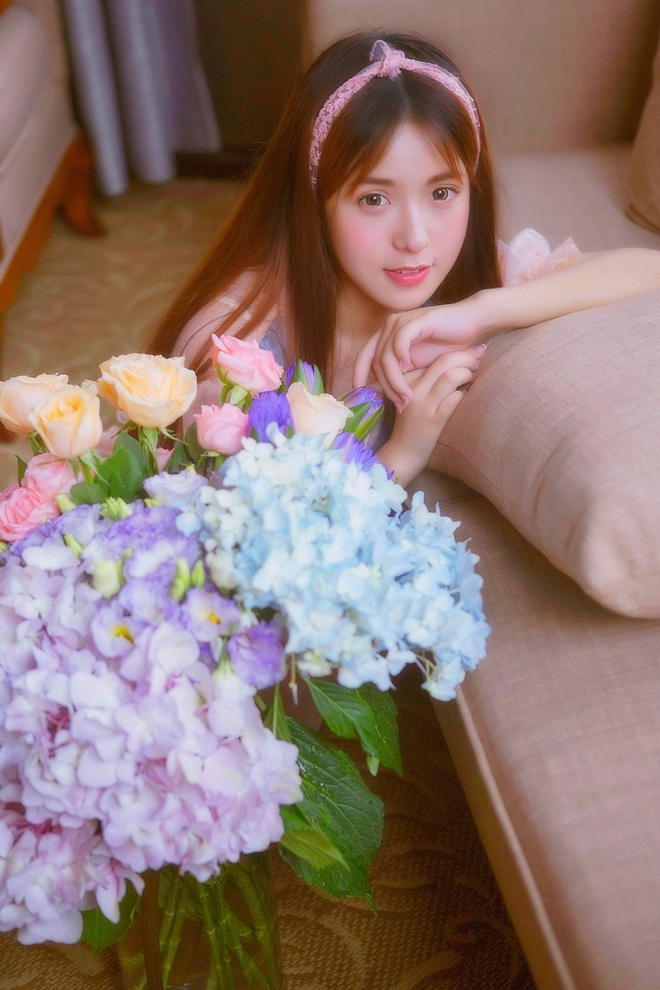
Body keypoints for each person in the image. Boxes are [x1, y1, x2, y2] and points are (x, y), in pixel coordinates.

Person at [149, 31, 660, 486]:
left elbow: (647, 269)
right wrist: (401, 454)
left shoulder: (472, 280)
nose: (415, 239)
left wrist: (481, 310)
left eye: (442, 193)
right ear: (314, 202)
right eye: (375, 199)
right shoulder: (238, 343)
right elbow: (246, 526)